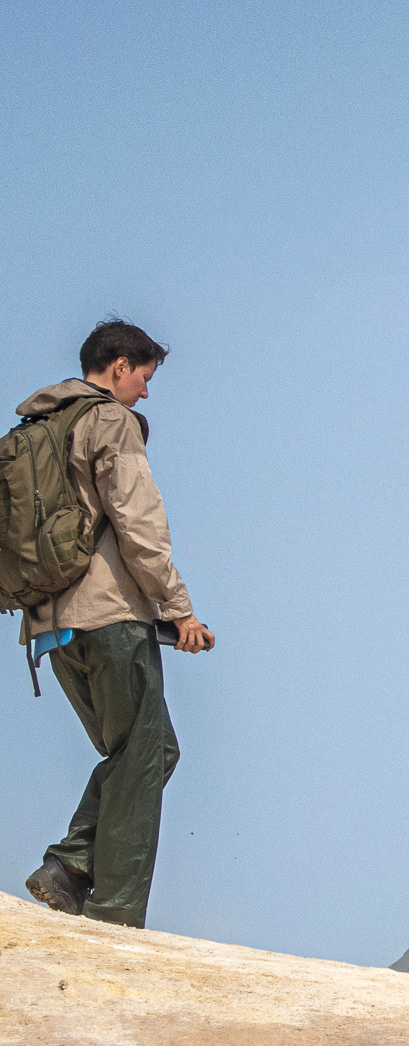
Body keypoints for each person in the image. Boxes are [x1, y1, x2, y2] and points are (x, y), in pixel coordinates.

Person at [17, 320, 214, 929]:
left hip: (50, 628)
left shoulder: (41, 427)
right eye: (146, 378)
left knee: (147, 751)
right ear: (121, 365)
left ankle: (70, 869)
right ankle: (115, 911)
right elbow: (139, 523)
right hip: (109, 617)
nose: (146, 395)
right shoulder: (109, 421)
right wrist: (178, 608)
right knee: (145, 753)